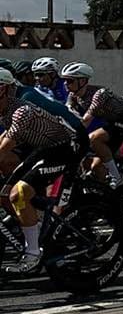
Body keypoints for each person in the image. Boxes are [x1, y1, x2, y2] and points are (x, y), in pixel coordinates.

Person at [0, 61, 82, 271]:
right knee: (5, 194)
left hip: (68, 146)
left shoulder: (21, 110)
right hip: (45, 147)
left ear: (3, 90)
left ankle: (33, 253)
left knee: (18, 194)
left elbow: (5, 147)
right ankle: (34, 223)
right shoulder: (6, 108)